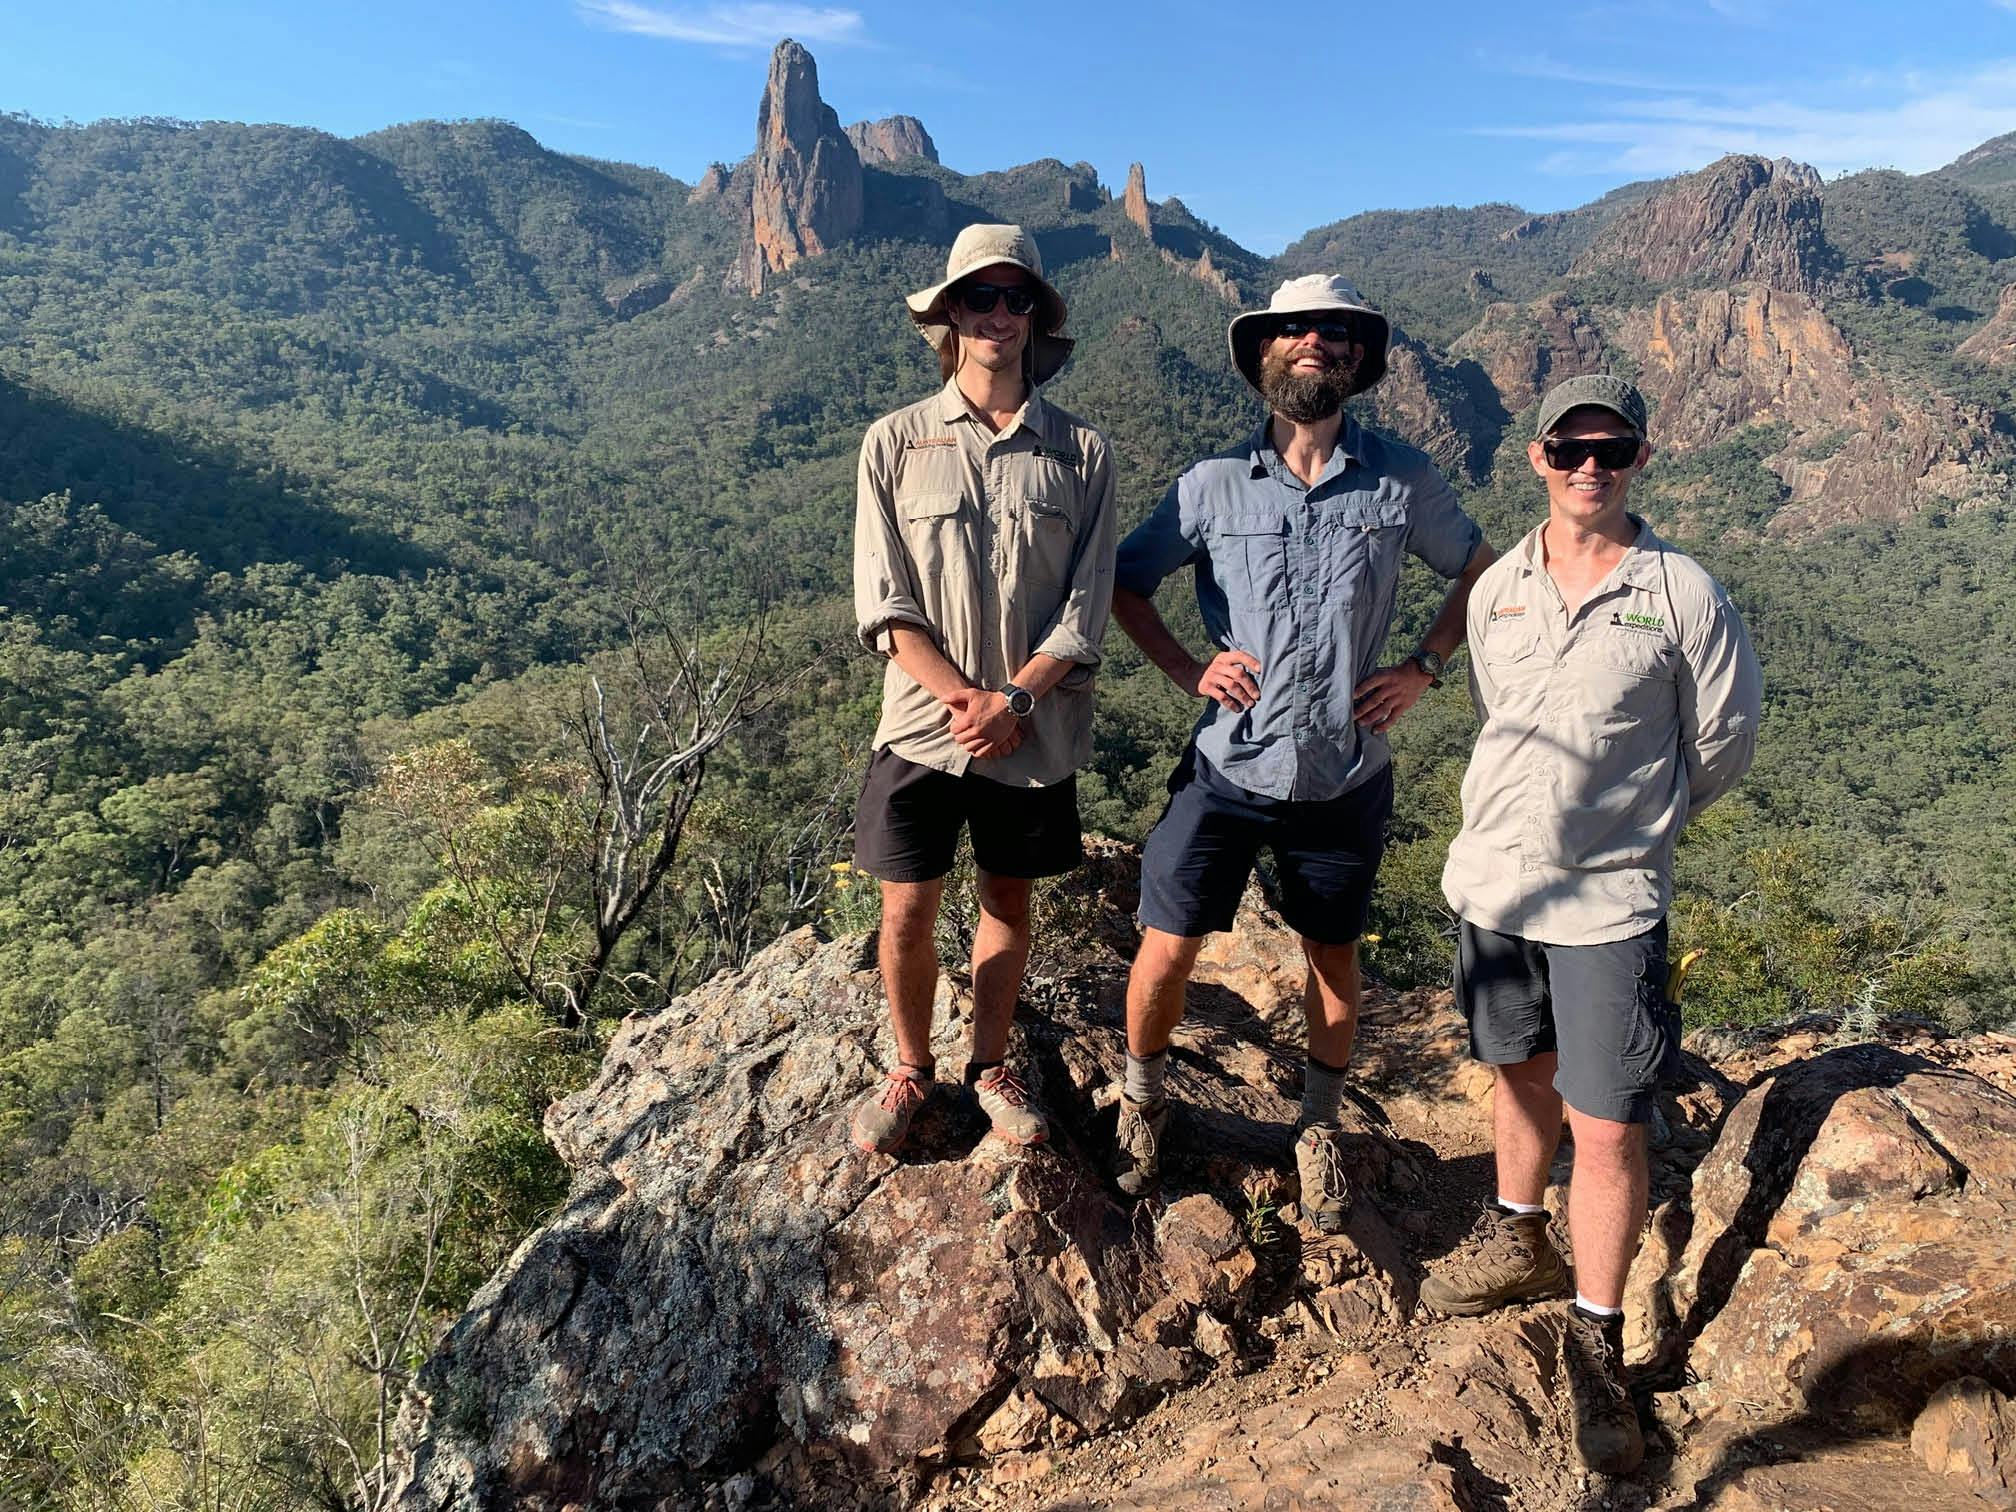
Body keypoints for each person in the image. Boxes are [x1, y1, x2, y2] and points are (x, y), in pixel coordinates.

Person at [1107, 274, 1495, 1230]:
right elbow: (1124, 582)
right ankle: (1142, 1101)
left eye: (1333, 331)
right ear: (1265, 353)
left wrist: (1424, 667)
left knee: (1333, 954)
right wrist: (1187, 669)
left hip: (1342, 770)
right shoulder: (1209, 484)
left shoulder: (1402, 479)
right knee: (1167, 947)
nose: (1314, 341)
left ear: (1357, 358)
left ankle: (1317, 1127)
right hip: (1229, 764)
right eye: (1294, 329)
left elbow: (1484, 573)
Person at [1426, 374, 1762, 1475]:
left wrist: (1638, 824)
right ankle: (1520, 1232)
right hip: (1496, 884)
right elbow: (1499, 712)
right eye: (1569, 448)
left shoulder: (1682, 592)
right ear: (1537, 456)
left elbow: (1722, 741)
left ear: (1638, 459)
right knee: (1517, 1068)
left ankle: (1597, 1338)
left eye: (1610, 449)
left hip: (1610, 898)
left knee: (1610, 1124)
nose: (1589, 466)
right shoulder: (1499, 589)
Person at [847, 223, 1118, 1155]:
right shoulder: (894, 441)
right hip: (923, 728)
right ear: (951, 313)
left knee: (1008, 901)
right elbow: (884, 601)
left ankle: (990, 1064)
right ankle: (910, 1067)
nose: (999, 314)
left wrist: (1018, 700)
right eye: (980, 296)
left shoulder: (1082, 452)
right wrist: (970, 701)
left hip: (1032, 730)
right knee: (905, 909)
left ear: (1036, 316)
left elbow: (1088, 603)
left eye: (1016, 297)